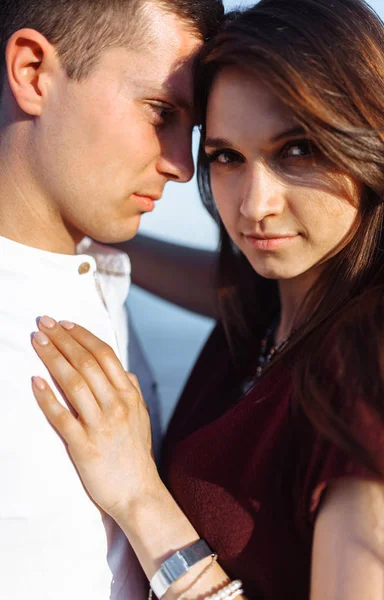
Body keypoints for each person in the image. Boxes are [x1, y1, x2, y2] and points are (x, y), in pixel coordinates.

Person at [30, 0, 384, 598]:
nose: (255, 207)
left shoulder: (372, 369)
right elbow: (214, 282)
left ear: (370, 142)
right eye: (227, 156)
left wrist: (140, 498)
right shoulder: (270, 304)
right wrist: (73, 223)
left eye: (298, 149)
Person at [0, 1, 224, 599]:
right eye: (160, 111)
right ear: (32, 72)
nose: (181, 165)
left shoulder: (97, 275)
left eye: (193, 130)